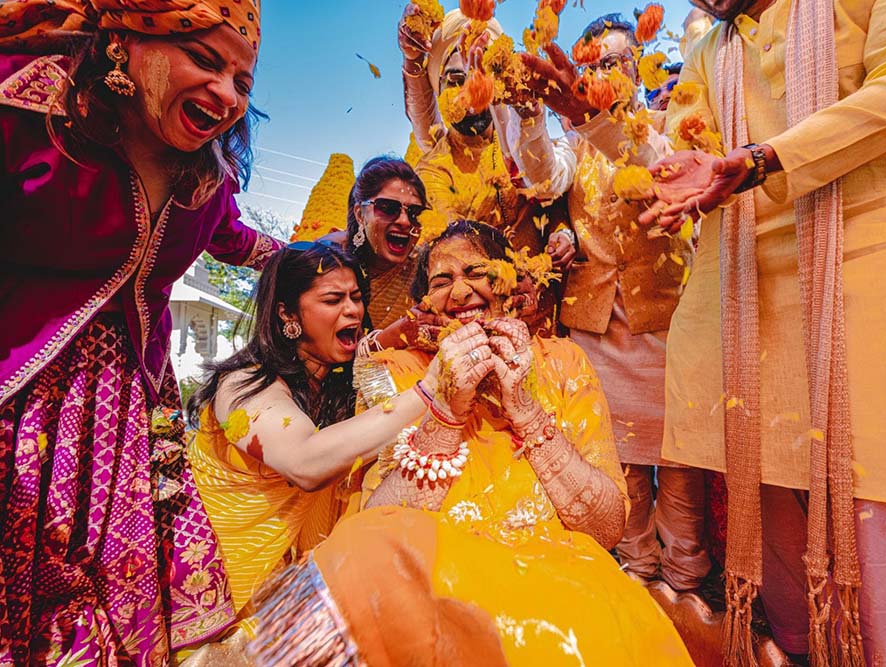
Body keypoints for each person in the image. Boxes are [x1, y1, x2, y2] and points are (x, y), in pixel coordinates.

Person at [641, 0, 886, 664]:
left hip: (879, 228)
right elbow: (681, 150)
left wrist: (766, 159)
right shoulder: (708, 52)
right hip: (745, 259)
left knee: (875, 478)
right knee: (757, 457)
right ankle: (796, 650)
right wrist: (607, 128)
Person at [247, 220, 694, 666]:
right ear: (425, 304)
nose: (460, 293)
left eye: (477, 273)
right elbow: (377, 527)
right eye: (441, 282)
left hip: (560, 582)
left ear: (511, 285)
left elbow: (606, 527)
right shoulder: (397, 371)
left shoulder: (563, 360)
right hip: (434, 588)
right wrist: (446, 409)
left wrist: (524, 409)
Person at [0, 1, 281, 663]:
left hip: (133, 411)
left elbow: (237, 241)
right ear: (125, 43)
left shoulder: (206, 179)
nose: (226, 95)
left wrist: (327, 256)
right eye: (204, 60)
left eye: (242, 82)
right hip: (22, 403)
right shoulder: (28, 107)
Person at [512, 14, 710, 594]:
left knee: (680, 470)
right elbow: (543, 180)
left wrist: (598, 120)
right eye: (591, 66)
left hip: (668, 325)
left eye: (614, 64)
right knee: (617, 468)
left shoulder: (668, 127)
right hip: (595, 329)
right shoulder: (573, 142)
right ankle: (635, 580)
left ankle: (686, 582)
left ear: (637, 70)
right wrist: (528, 114)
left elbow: (667, 173)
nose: (602, 75)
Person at [183, 240, 445, 657]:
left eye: (357, 297)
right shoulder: (243, 385)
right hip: (223, 607)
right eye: (333, 299)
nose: (353, 310)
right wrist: (432, 390)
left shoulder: (342, 385)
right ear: (287, 314)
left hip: (293, 611)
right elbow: (306, 462)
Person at [397, 6, 575, 326]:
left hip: (538, 313)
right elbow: (449, 249)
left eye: (479, 77)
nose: (469, 94)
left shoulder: (520, 145)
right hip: (470, 318)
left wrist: (562, 233)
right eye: (455, 81)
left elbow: (551, 198)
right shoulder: (433, 168)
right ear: (438, 89)